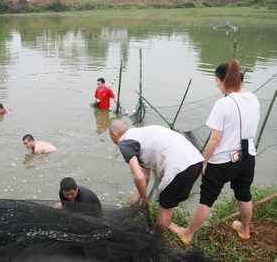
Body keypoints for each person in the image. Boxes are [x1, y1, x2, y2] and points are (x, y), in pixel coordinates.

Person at [169, 60, 260, 244]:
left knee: (207, 199)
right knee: (244, 194)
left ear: (225, 80)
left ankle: (187, 233)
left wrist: (204, 161)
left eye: (217, 82)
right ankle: (245, 229)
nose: (217, 86)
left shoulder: (223, 104)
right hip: (248, 156)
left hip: (223, 162)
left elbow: (215, 139)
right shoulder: (254, 98)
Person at [109, 119, 204, 236]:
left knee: (165, 207)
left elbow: (138, 177)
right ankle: (160, 229)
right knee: (163, 196)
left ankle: (156, 241)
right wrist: (134, 204)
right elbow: (144, 175)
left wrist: (144, 199)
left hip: (179, 166)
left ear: (114, 134)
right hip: (196, 160)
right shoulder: (141, 135)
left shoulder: (124, 142)